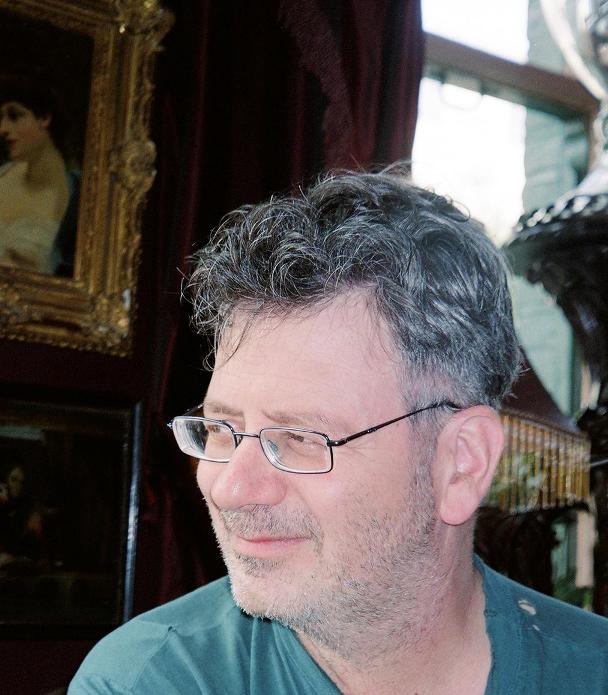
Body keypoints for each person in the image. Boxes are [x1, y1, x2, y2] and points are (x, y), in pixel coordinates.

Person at [69, 165, 608, 694]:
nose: (231, 488)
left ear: (461, 464)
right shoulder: (146, 680)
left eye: (300, 438)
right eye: (221, 429)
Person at [0, 78, 80, 274]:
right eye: (1, 118)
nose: (3, 129)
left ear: (44, 118)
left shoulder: (77, 194)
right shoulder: (3, 174)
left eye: (15, 116)